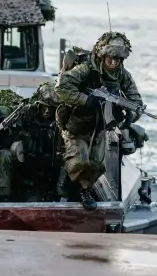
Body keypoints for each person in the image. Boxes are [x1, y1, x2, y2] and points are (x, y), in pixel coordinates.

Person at [54, 31, 143, 211]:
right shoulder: (85, 69)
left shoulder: (122, 75)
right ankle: (68, 181)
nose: (113, 63)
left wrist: (131, 113)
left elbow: (135, 99)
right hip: (77, 124)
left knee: (96, 164)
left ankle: (83, 188)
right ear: (102, 55)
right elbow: (62, 87)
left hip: (101, 126)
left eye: (118, 59)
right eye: (110, 58)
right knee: (80, 161)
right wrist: (86, 100)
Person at [0, 82, 62, 202]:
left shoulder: (60, 124)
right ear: (38, 104)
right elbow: (7, 111)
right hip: (19, 169)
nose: (47, 111)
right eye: (44, 106)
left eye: (51, 108)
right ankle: (2, 201)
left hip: (40, 175)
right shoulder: (26, 113)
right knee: (4, 155)